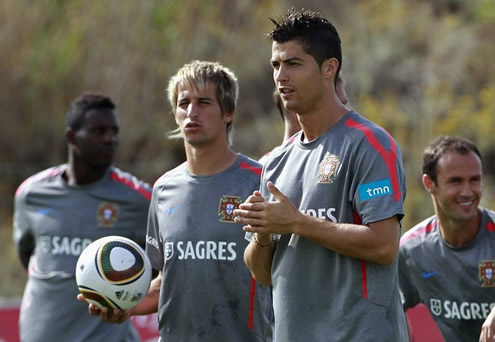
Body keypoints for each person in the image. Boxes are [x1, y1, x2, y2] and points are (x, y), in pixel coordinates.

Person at [233, 8, 408, 341]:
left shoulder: (369, 144)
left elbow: (384, 245)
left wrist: (296, 222)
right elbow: (263, 273)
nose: (281, 76)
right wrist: (263, 233)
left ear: (330, 68)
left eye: (294, 64)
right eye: (276, 65)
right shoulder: (275, 163)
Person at [80, 61, 273, 341]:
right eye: (184, 103)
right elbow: (166, 281)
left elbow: (275, 273)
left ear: (228, 113)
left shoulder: (259, 181)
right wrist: (124, 304)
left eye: (204, 102)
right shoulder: (163, 189)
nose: (192, 112)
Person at [13, 93, 152, 342]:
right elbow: (26, 252)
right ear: (71, 136)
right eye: (99, 131)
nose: (110, 139)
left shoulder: (139, 198)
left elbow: (160, 265)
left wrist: (126, 298)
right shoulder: (31, 194)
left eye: (114, 131)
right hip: (39, 333)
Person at [399, 136, 495, 342]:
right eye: (455, 181)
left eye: (475, 180)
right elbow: (390, 315)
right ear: (429, 183)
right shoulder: (412, 250)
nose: (468, 191)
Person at [259, 75, 348, 164]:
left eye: (344, 105)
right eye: (337, 107)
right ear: (298, 110)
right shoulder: (266, 169)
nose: (346, 113)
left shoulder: (349, 153)